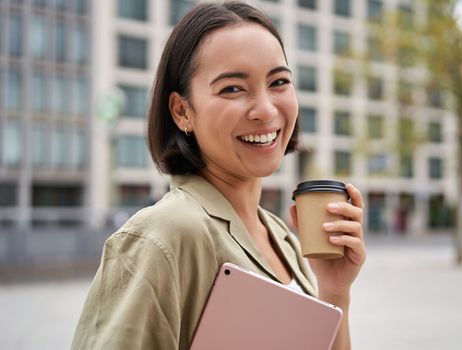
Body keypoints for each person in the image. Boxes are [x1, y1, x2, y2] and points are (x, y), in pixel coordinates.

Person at [72, 2, 366, 349]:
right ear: (182, 111)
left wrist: (334, 291)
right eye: (232, 89)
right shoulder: (164, 235)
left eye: (279, 82)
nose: (266, 110)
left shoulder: (285, 240)